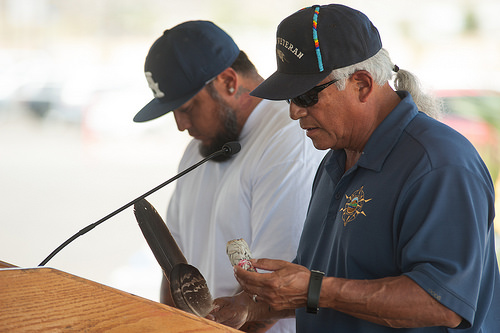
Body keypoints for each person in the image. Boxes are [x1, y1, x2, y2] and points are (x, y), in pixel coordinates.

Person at [208, 4, 500, 332]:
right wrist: (251, 306)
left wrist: (316, 290)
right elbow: (323, 280)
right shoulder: (336, 159)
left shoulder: (439, 163)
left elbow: (442, 302)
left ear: (361, 84)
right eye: (288, 99)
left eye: (305, 97)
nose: (294, 113)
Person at [133, 20, 326, 332]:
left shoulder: (290, 139)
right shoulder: (198, 150)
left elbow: (273, 291)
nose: (181, 124)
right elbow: (174, 272)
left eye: (188, 107)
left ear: (228, 81)